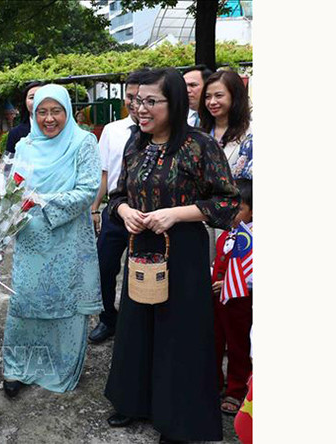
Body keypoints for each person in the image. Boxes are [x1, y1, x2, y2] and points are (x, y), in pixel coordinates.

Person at [104, 68, 239, 443]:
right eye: (136, 101)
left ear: (174, 102)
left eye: (151, 101)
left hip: (182, 250)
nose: (140, 109)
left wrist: (176, 214)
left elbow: (227, 202)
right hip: (141, 245)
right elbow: (117, 196)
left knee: (179, 334)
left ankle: (178, 418)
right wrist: (124, 212)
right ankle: (134, 402)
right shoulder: (136, 143)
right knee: (136, 326)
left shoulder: (198, 145)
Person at [2, 84, 102, 397]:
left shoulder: (83, 142)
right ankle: (17, 368)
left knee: (65, 305)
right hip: (30, 238)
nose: (48, 118)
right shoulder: (26, 146)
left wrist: (43, 200)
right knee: (25, 303)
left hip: (68, 237)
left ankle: (59, 365)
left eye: (55, 111)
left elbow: (88, 190)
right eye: (42, 111)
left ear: (67, 111)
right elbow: (12, 187)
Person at [88, 70, 148, 345]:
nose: (136, 104)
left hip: (148, 212)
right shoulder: (113, 131)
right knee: (103, 266)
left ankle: (137, 325)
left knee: (142, 271)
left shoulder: (165, 132)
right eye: (131, 97)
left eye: (143, 98)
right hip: (115, 210)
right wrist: (94, 208)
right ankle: (108, 319)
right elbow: (104, 173)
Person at [200, 69, 252, 262]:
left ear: (235, 96)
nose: (212, 102)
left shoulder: (250, 133)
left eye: (219, 95)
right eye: (208, 97)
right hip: (203, 217)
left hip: (238, 221)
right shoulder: (200, 133)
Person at [211, 179, 252, 415]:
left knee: (238, 345)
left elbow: (251, 274)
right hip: (217, 299)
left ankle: (236, 390)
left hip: (239, 301)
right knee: (214, 340)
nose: (233, 212)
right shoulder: (227, 231)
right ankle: (214, 382)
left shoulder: (252, 238)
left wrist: (229, 283)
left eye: (240, 209)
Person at [5, 81, 45, 155]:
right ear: (25, 102)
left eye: (41, 96)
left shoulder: (60, 130)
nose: (37, 100)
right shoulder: (16, 133)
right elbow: (8, 163)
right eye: (32, 97)